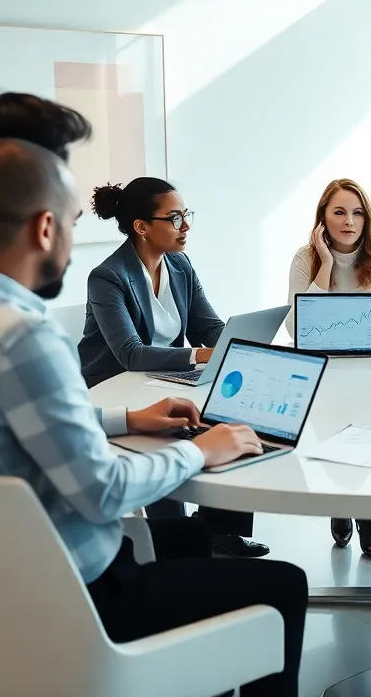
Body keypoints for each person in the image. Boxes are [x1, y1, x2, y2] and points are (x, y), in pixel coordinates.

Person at [0, 134, 306, 697]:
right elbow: (104, 491)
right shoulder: (24, 337)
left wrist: (126, 420)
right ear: (46, 227)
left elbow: (18, 428)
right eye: (72, 222)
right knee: (284, 586)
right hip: (83, 598)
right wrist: (198, 451)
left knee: (186, 537)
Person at [77, 176, 266, 558]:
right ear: (142, 227)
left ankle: (220, 530)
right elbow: (131, 353)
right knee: (164, 436)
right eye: (175, 217)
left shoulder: (180, 265)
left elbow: (207, 327)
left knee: (232, 411)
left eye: (186, 215)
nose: (186, 226)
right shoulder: (108, 277)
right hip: (116, 384)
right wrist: (201, 355)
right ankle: (175, 544)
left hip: (166, 379)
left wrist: (237, 341)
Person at [288, 178, 371, 557]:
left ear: (367, 218)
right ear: (323, 217)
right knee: (332, 440)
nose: (349, 221)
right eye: (339, 212)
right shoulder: (305, 258)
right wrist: (324, 265)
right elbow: (296, 328)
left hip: (370, 369)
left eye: (357, 213)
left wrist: (329, 326)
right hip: (324, 371)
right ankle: (339, 503)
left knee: (368, 442)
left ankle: (367, 515)